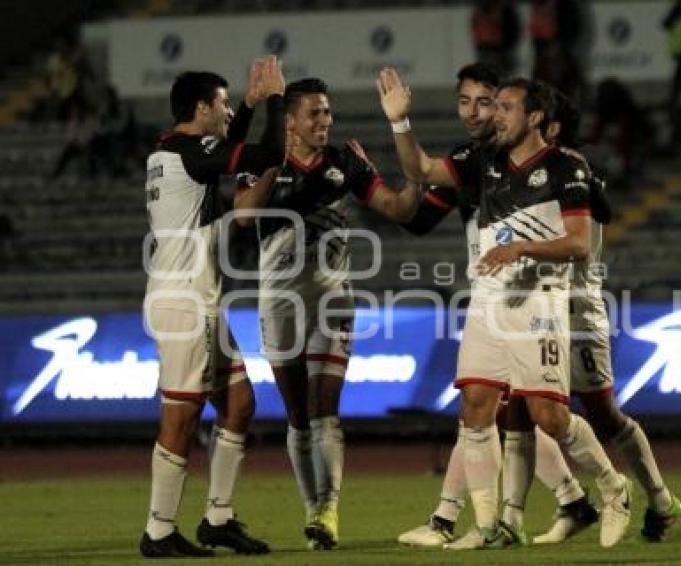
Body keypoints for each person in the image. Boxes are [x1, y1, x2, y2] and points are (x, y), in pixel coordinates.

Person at [378, 68, 632, 550]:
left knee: (549, 417)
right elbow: (422, 172)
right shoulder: (481, 157)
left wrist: (520, 250)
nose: (494, 115)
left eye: (504, 107)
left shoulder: (565, 168)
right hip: (490, 298)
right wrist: (400, 123)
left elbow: (579, 244)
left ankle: (613, 486)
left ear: (534, 117)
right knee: (474, 406)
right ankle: (490, 525)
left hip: (540, 301)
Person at [234, 77, 420, 551]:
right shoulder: (259, 163)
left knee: (324, 412)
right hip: (278, 302)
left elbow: (399, 209)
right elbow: (244, 217)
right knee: (297, 418)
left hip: (333, 298)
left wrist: (413, 175)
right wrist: (273, 163)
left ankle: (328, 511)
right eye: (315, 114)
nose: (326, 122)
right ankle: (312, 511)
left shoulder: (345, 163)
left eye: (329, 113)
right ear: (290, 121)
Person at [140, 56, 285, 558]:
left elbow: (226, 152)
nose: (225, 113)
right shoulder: (188, 152)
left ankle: (218, 519)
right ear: (201, 107)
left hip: (193, 298)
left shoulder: (170, 151)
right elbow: (263, 153)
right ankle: (159, 530)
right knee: (181, 416)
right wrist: (276, 102)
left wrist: (247, 104)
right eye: (221, 104)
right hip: (184, 302)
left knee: (240, 404)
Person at [536, 88, 681, 544]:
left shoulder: (567, 170)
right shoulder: (531, 169)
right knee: (523, 406)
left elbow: (579, 236)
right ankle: (568, 501)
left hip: (576, 305)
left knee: (603, 416)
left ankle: (656, 496)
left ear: (549, 126)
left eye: (519, 111)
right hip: (538, 308)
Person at [471, 0, 520, 75]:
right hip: (487, 46)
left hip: (498, 47)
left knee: (498, 71)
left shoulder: (504, 9)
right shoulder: (482, 9)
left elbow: (512, 29)